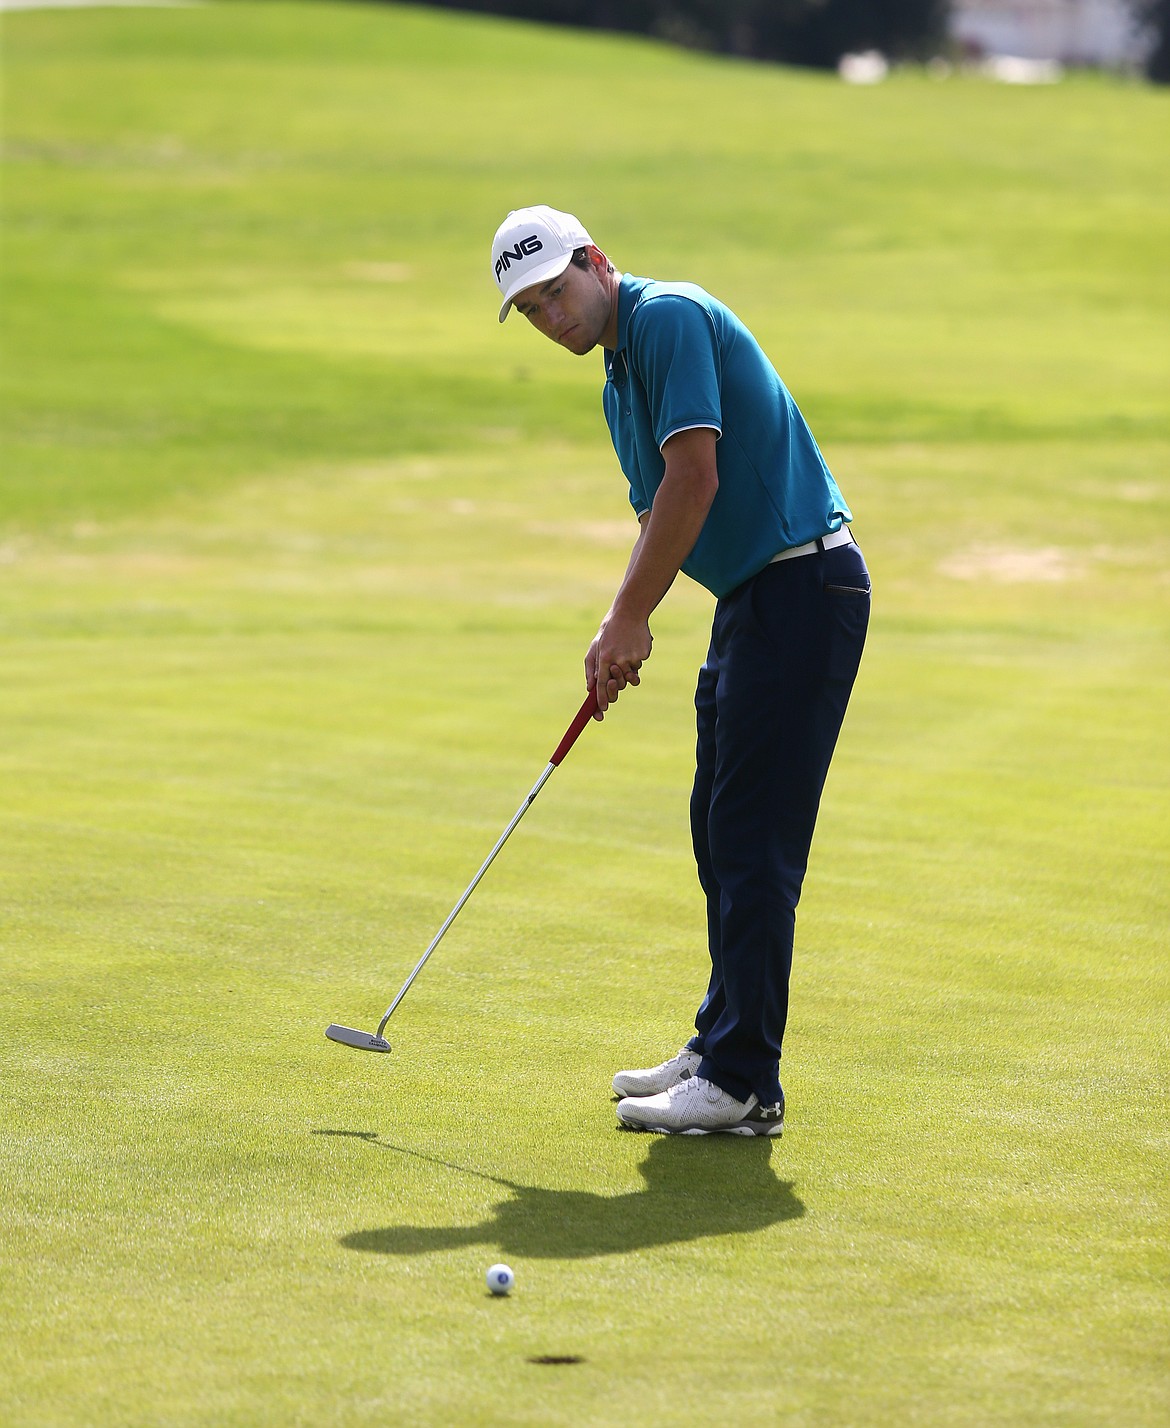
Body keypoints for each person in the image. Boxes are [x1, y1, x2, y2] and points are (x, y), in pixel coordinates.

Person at [491, 205, 870, 1136]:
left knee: (751, 839)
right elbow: (662, 510)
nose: (552, 319)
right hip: (754, 602)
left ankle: (745, 1082)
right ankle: (720, 1041)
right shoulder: (619, 379)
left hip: (804, 588)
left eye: (555, 293)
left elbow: (693, 479)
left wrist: (628, 616)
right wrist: (626, 625)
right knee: (717, 823)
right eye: (532, 312)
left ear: (597, 262)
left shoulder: (665, 318)